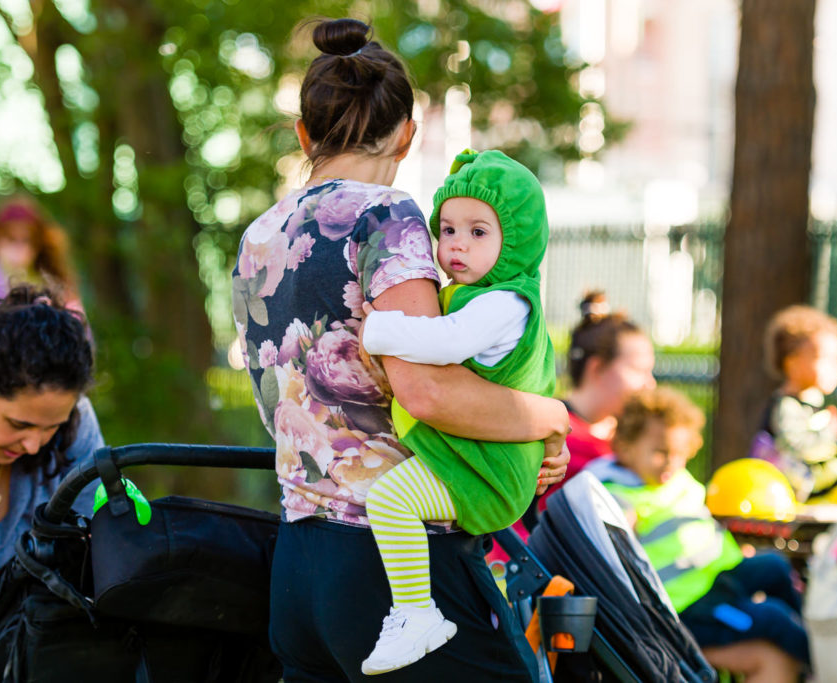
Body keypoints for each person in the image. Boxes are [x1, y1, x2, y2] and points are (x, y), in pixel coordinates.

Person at [231, 18, 569, 682]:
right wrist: (552, 416)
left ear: (304, 134)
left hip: (296, 565)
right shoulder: (389, 218)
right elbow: (427, 391)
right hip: (392, 569)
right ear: (407, 134)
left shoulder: (258, 237)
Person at [358, 148, 554, 674]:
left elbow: (448, 342)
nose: (456, 245)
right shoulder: (473, 293)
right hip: (479, 453)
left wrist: (377, 328)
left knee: (391, 500)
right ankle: (414, 611)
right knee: (393, 500)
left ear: (516, 240)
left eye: (478, 232)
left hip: (489, 468)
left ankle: (417, 613)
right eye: (447, 230)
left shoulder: (504, 302)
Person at [587, 387, 809, 683]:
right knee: (772, 618)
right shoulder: (618, 493)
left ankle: (810, 633)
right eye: (659, 452)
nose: (671, 462)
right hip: (689, 607)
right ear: (626, 447)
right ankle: (820, 668)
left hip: (720, 574)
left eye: (679, 454)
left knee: (775, 566)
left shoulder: (676, 478)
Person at [0, 285, 103, 597]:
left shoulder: (76, 420)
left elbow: (95, 550)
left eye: (50, 427)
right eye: (18, 424)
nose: (33, 445)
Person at [749, 304, 837, 506]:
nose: (834, 368)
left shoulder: (811, 405)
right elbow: (796, 445)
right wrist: (829, 432)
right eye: (824, 359)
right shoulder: (787, 406)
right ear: (791, 362)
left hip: (803, 483)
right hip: (781, 488)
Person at [543, 293, 655, 499]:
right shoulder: (551, 433)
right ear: (598, 368)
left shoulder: (637, 438)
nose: (650, 383)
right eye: (639, 370)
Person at [0, 196, 81, 319]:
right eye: (10, 238)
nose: (18, 247)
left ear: (39, 243)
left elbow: (78, 331)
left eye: (26, 240)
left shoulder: (55, 285)